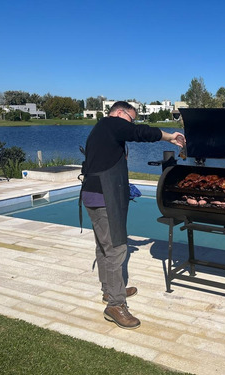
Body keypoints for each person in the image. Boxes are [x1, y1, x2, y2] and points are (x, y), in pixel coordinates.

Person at [80, 101, 185, 329]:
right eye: (131, 118)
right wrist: (170, 137)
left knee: (104, 247)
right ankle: (116, 305)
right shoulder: (110, 124)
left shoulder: (102, 130)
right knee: (117, 248)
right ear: (119, 113)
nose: (132, 124)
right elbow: (140, 133)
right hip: (103, 197)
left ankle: (110, 291)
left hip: (95, 195)